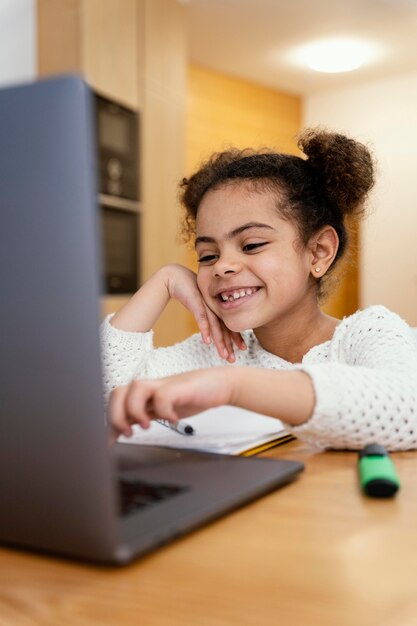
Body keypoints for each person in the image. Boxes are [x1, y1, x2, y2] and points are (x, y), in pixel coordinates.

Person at [101, 128, 417, 451]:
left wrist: (232, 387)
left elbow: (407, 407)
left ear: (319, 252)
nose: (222, 266)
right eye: (208, 255)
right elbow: (107, 394)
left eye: (251, 245)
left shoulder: (367, 333)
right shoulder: (220, 351)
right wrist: (164, 281)